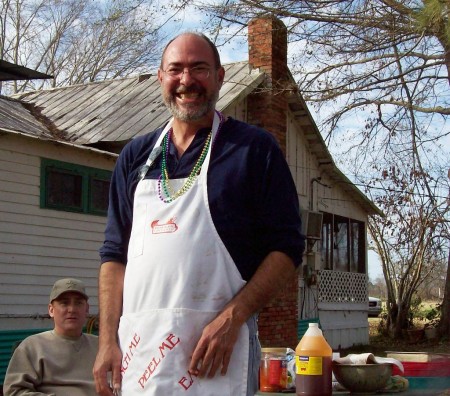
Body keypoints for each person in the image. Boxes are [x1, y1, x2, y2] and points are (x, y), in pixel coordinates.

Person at [93, 31, 305, 396]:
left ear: (220, 77)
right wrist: (106, 341)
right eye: (175, 69)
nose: (187, 80)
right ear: (161, 77)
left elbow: (287, 249)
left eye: (199, 68)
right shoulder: (135, 155)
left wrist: (234, 316)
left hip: (216, 358)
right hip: (141, 356)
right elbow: (114, 256)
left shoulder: (252, 150)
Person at [3, 278, 99, 396]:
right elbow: (14, 391)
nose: (72, 309)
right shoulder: (33, 347)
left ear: (87, 309)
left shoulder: (101, 347)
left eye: (78, 303)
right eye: (64, 303)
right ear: (51, 310)